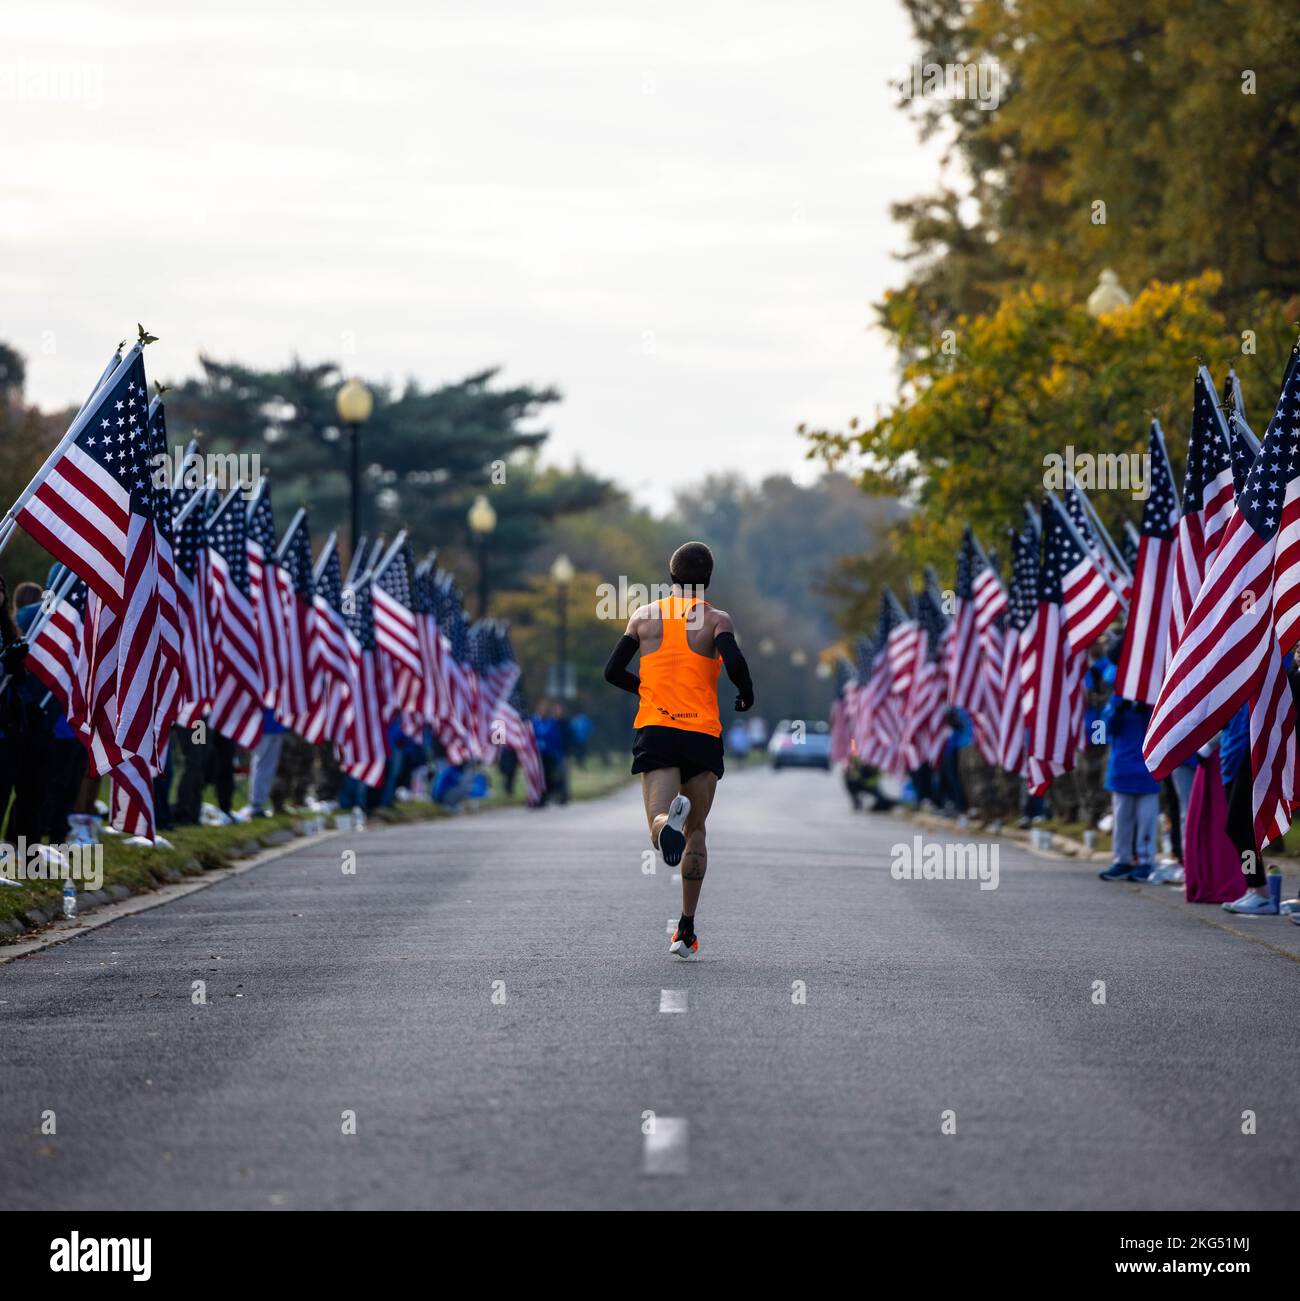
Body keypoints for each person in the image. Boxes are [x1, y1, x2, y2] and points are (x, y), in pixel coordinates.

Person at [603, 541, 754, 959]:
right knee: (698, 832)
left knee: (658, 818)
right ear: (708, 580)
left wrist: (645, 688)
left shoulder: (644, 616)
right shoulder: (716, 620)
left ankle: (667, 821)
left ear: (670, 577)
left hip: (657, 729)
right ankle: (686, 929)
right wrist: (746, 692)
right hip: (702, 735)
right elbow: (735, 663)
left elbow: (612, 671)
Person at [1097, 697, 1161, 881]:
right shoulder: (1114, 701)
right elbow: (1099, 735)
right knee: (1121, 821)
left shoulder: (1153, 699)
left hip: (1148, 771)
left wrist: (1147, 713)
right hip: (1121, 771)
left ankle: (1145, 862)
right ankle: (1121, 860)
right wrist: (1116, 711)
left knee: (1146, 822)